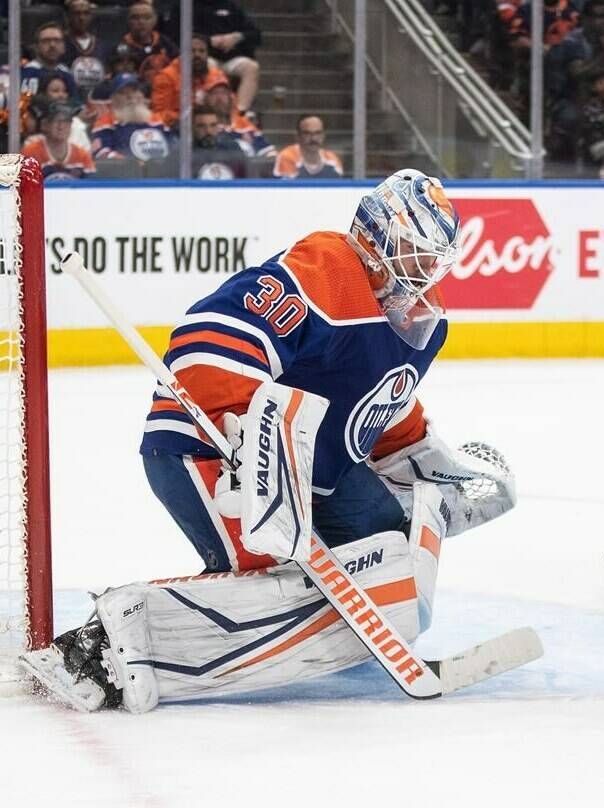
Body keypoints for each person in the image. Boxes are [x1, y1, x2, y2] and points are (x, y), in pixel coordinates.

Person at [18, 169, 517, 712]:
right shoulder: (325, 272)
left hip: (308, 471)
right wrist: (249, 432)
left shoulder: (422, 319)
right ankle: (92, 652)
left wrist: (429, 461)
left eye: (433, 258)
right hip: (208, 447)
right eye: (415, 252)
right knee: (265, 572)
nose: (424, 270)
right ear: (376, 234)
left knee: (385, 541)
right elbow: (207, 338)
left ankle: (315, 631)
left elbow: (379, 399)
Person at [165, 0, 263, 119]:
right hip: (206, 56)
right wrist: (208, 40)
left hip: (232, 58)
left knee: (251, 67)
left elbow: (256, 34)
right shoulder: (186, 7)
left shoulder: (231, 7)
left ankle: (240, 112)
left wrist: (237, 37)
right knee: (207, 65)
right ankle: (207, 108)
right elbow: (175, 35)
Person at [91, 73, 176, 162]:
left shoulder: (156, 120)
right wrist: (129, 163)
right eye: (123, 93)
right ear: (114, 99)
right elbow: (101, 152)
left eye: (134, 91)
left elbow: (173, 147)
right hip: (123, 173)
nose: (130, 96)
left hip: (159, 171)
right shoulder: (105, 122)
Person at [21, 101, 96, 181]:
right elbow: (23, 186)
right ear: (45, 125)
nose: (61, 126)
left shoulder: (82, 155)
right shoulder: (31, 153)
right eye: (55, 121)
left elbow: (92, 187)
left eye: (66, 121)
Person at [61, 0, 110, 98]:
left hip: (97, 98)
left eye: (86, 13)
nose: (81, 18)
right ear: (67, 16)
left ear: (91, 16)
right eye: (76, 14)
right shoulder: (61, 42)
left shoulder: (101, 45)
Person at [274, 114, 344, 178]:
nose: (313, 138)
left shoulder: (332, 160)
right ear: (297, 136)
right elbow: (288, 190)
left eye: (318, 133)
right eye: (307, 133)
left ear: (323, 136)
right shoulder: (287, 156)